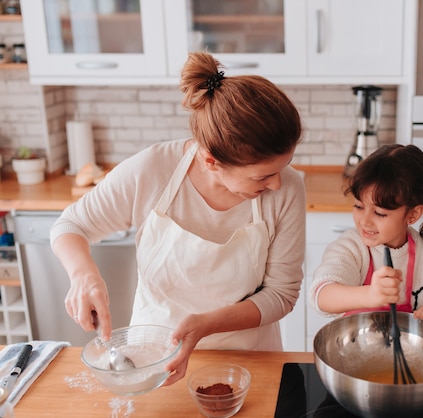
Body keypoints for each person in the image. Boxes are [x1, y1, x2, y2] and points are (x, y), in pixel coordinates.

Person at [50, 51, 306, 385]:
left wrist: (206, 325)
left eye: (282, 168)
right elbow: (71, 226)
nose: (276, 183)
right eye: (262, 176)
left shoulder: (287, 188)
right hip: (152, 362)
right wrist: (83, 274)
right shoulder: (152, 170)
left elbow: (281, 295)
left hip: (248, 361)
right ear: (211, 160)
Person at [309, 144, 423, 339]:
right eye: (358, 206)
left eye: (380, 213)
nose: (364, 220)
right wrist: (370, 295)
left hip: (416, 363)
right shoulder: (352, 248)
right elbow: (321, 296)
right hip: (356, 359)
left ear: (413, 214)